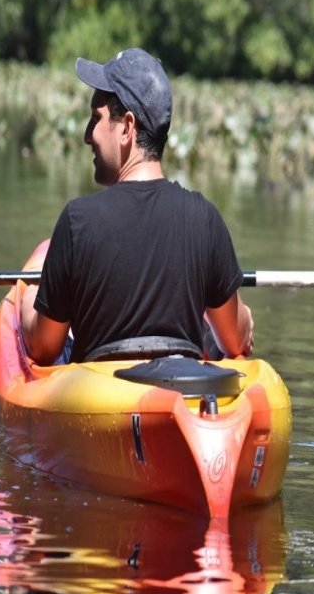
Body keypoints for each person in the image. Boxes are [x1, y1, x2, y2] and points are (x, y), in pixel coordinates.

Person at [20, 47, 253, 365]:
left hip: (99, 406)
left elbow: (42, 348)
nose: (88, 136)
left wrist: (27, 290)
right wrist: (246, 317)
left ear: (127, 127)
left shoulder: (78, 222)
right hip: (181, 399)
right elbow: (236, 340)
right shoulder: (205, 219)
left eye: (96, 118)